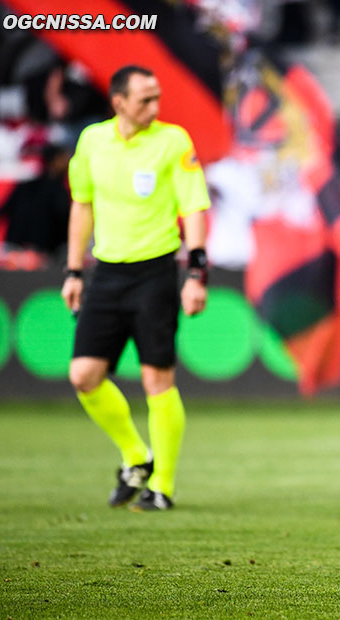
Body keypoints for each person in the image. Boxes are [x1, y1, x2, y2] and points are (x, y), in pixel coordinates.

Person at [61, 65, 211, 511]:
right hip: (106, 273)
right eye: (145, 99)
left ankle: (162, 484)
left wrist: (197, 272)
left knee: (156, 380)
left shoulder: (173, 141)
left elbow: (195, 207)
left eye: (157, 97)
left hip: (155, 272)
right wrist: (73, 271)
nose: (155, 107)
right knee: (84, 376)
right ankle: (135, 455)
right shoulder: (92, 141)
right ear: (119, 102)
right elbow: (81, 206)